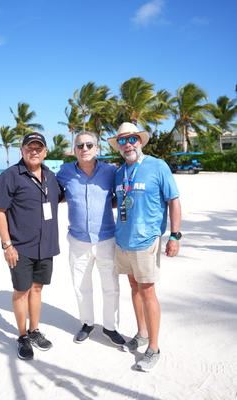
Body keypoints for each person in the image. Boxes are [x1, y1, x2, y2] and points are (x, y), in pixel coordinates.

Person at [108, 122, 181, 371]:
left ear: (140, 141)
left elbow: (173, 200)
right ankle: (141, 334)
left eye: (132, 139)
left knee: (148, 291)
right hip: (123, 240)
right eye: (122, 140)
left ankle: (154, 347)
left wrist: (175, 236)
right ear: (118, 146)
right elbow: (121, 202)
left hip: (146, 240)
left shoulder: (157, 166)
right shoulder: (119, 172)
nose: (128, 144)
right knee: (133, 287)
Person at [0, 132, 61, 360]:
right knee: (21, 291)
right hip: (20, 247)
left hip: (46, 245)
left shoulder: (51, 177)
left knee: (37, 289)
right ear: (21, 151)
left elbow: (62, 197)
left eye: (38, 148)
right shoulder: (10, 176)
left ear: (45, 152)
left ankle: (34, 331)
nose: (34, 151)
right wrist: (7, 245)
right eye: (29, 148)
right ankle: (22, 335)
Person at [56, 131, 125, 346]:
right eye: (80, 146)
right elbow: (52, 195)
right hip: (78, 240)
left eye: (89, 145)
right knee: (81, 286)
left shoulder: (110, 172)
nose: (84, 149)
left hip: (106, 238)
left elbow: (119, 198)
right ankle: (87, 323)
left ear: (97, 148)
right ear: (74, 150)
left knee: (111, 286)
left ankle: (110, 327)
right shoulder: (65, 172)